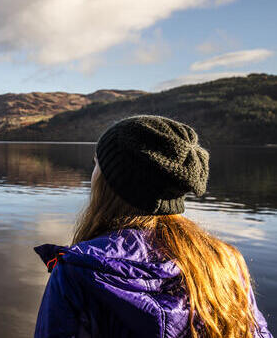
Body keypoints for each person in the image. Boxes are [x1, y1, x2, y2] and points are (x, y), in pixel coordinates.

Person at [34, 115, 272, 338]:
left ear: (114, 182)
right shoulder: (224, 262)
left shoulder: (76, 272)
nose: (93, 172)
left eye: (97, 163)